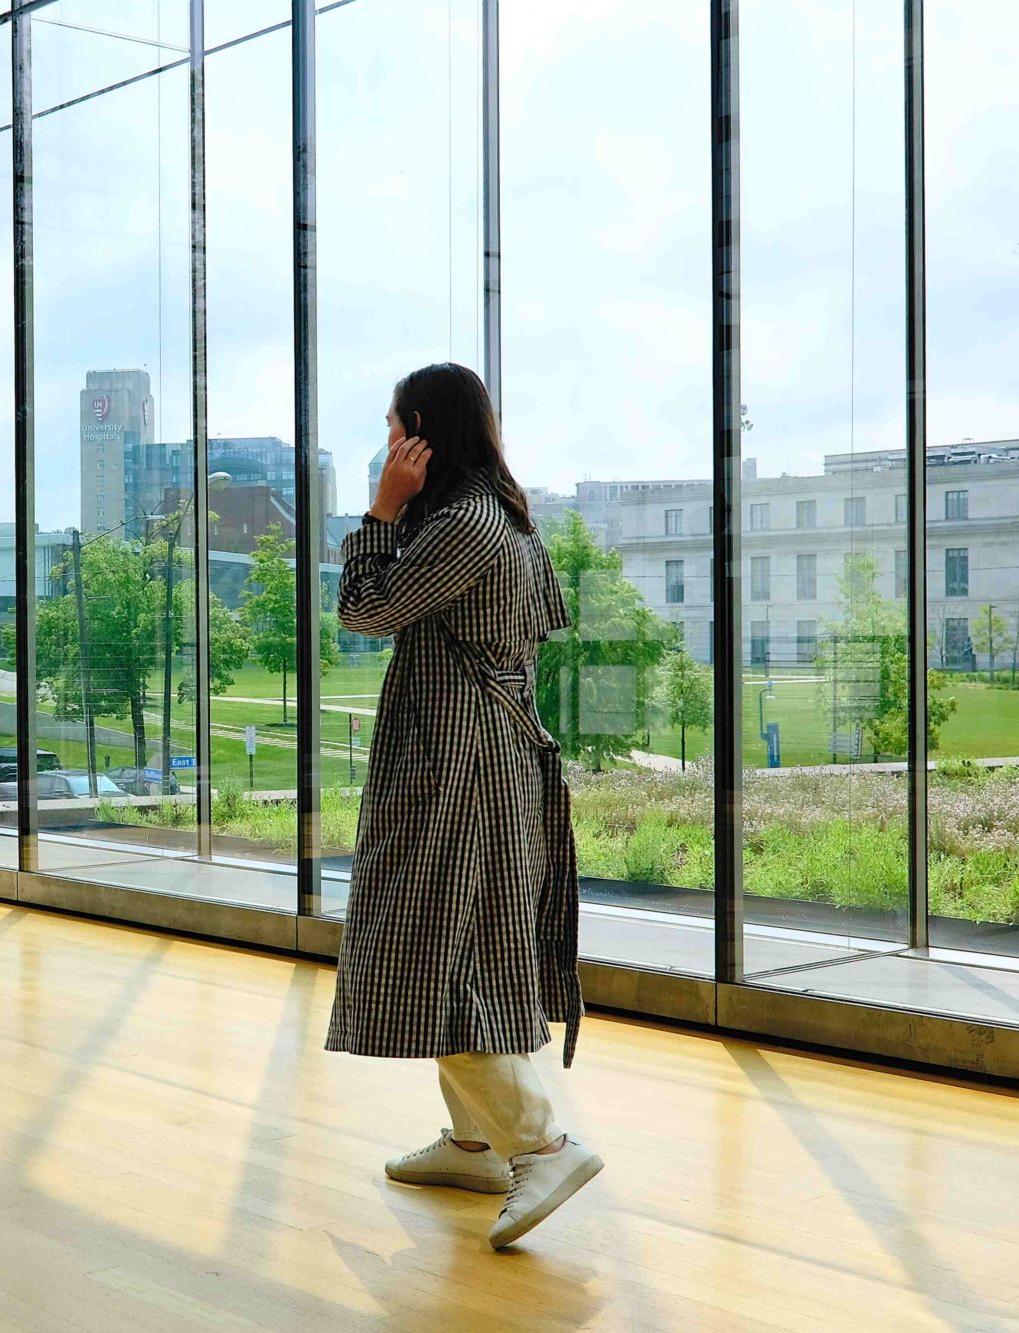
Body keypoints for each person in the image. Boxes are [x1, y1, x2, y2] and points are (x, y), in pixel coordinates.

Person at [325, 362, 602, 1250]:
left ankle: (541, 1145)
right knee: (466, 943)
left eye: (395, 426)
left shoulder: (465, 525)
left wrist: (378, 512)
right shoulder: (502, 518)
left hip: (459, 768)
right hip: (484, 756)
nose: (387, 443)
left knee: (431, 949)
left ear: (424, 434)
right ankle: (477, 1141)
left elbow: (365, 610)